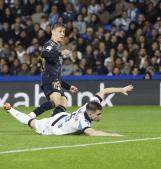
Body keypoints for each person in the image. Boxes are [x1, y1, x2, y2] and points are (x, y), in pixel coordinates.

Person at [3, 85, 134, 136]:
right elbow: (92, 133)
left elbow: (104, 91)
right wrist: (112, 135)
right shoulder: (82, 121)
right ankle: (10, 109)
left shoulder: (89, 105)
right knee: (31, 123)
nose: (101, 116)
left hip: (63, 117)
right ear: (90, 113)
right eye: (99, 114)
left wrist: (121, 90)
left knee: (64, 101)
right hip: (52, 127)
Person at [28, 22, 78, 119]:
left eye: (63, 32)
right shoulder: (50, 44)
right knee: (56, 101)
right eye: (60, 31)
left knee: (64, 102)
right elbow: (44, 54)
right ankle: (31, 116)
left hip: (55, 80)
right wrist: (60, 53)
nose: (62, 34)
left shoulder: (56, 47)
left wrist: (68, 87)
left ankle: (52, 120)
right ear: (53, 32)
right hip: (48, 79)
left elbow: (57, 75)